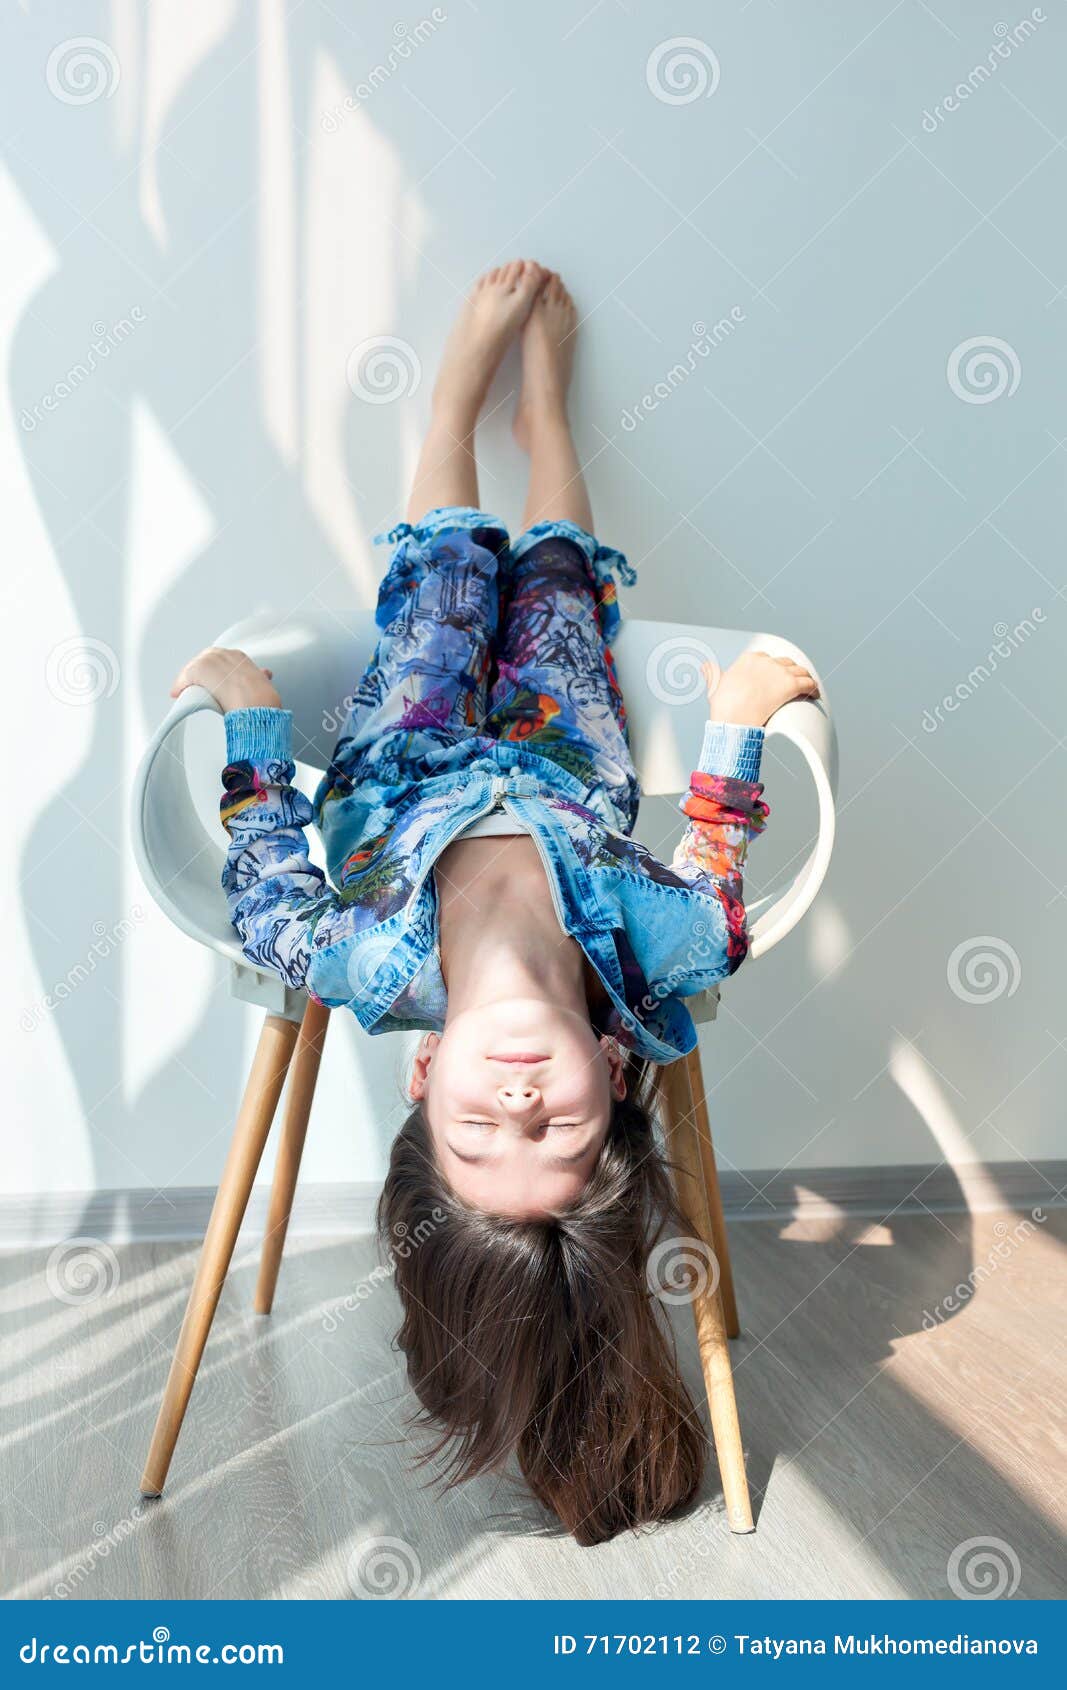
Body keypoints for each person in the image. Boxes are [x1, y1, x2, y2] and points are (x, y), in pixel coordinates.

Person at [174, 259, 818, 1543]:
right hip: (561, 755)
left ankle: (446, 423)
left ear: (421, 1090)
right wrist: (737, 723)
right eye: (561, 1141)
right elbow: (715, 884)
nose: (520, 1110)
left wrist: (252, 717)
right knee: (562, 587)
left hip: (406, 760)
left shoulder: (366, 966)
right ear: (611, 1075)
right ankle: (546, 425)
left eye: (481, 1142)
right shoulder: (658, 951)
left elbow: (267, 898)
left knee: (446, 586)